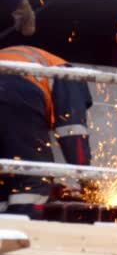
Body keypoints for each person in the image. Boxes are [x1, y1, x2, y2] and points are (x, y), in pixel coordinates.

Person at [0, 46, 93, 217]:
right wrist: (89, 183)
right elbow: (72, 133)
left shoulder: (29, 60)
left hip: (9, 89)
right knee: (34, 177)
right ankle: (22, 236)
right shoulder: (69, 75)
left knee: (5, 180)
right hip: (16, 90)